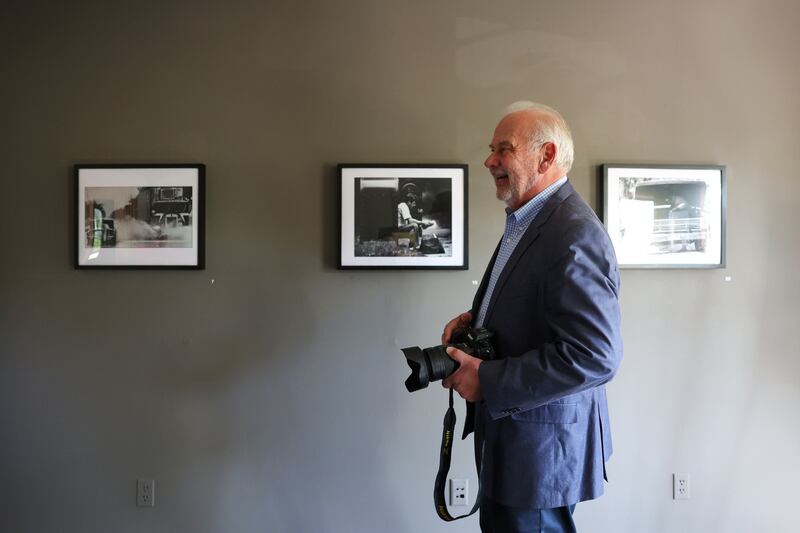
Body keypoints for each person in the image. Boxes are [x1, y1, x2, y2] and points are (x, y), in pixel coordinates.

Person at [441, 102, 622, 533]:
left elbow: (595, 355)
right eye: (492, 149)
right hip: (520, 441)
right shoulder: (530, 220)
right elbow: (538, 307)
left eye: (504, 149)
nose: (489, 160)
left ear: (546, 156)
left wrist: (488, 379)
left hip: (540, 452)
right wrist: (478, 318)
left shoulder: (572, 232)